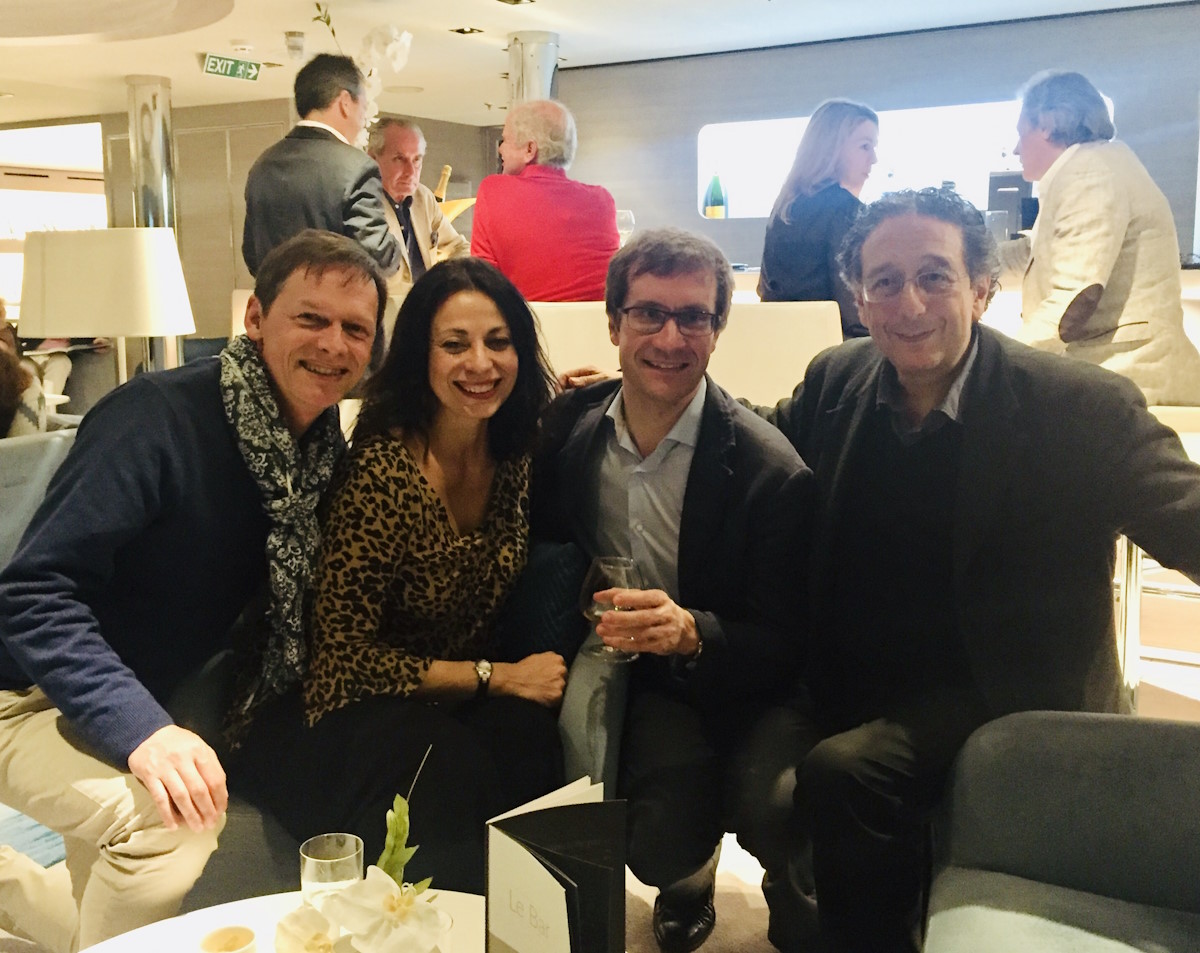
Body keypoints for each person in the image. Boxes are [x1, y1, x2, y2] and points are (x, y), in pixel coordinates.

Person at [754, 187, 1200, 953]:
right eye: (885, 281)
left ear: (983, 289)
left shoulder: (1074, 406)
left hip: (999, 690)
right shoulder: (838, 379)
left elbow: (1185, 513)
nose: (910, 303)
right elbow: (758, 442)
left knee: (845, 772)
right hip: (850, 674)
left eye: (935, 276)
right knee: (764, 781)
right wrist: (642, 397)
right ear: (859, 299)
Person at [0, 230, 383, 953]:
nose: (333, 344)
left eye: (355, 328)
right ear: (255, 318)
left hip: (127, 686)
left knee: (98, 910)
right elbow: (33, 591)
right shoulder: (154, 418)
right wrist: (143, 730)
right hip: (23, 690)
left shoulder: (315, 451)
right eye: (311, 318)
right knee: (168, 826)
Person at [229, 257, 565, 894]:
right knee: (446, 764)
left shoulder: (512, 453)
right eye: (455, 344)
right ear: (420, 356)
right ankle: (419, 929)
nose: (481, 363)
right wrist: (494, 677)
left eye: (499, 342)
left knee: (529, 740)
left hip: (445, 701)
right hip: (341, 707)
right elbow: (343, 660)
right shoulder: (382, 471)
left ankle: (526, 929)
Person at [532, 227, 811, 953]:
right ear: (613, 323)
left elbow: (788, 638)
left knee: (766, 809)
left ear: (717, 330)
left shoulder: (769, 472)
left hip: (727, 668)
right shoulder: (570, 425)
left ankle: (728, 877)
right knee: (649, 832)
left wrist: (692, 631)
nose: (669, 337)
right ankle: (679, 870)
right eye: (649, 313)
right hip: (630, 666)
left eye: (693, 317)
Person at [1003, 69, 1200, 404]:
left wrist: (1000, 367)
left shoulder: (1088, 172)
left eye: (1021, 134)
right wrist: (962, 257)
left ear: (1046, 124)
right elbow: (1033, 252)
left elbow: (1075, 297)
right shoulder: (1096, 165)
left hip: (1132, 382)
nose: (1015, 149)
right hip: (1129, 381)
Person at [242, 53, 401, 280]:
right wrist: (397, 245)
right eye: (363, 108)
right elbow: (378, 255)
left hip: (276, 300)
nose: (363, 120)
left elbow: (252, 255)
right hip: (334, 300)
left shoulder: (263, 165)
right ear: (345, 102)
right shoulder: (356, 168)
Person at [471, 99, 619, 301]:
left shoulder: (493, 190)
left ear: (529, 150)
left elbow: (483, 285)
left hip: (524, 320)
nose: (500, 149)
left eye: (505, 140)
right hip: (596, 322)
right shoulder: (602, 201)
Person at [758, 99, 878, 339]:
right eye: (865, 146)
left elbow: (764, 290)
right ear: (833, 148)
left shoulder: (785, 207)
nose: (874, 158)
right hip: (833, 348)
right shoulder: (845, 209)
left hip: (778, 342)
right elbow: (853, 307)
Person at [366, 117, 470, 350]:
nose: (411, 171)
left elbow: (459, 247)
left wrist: (445, 284)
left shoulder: (423, 198)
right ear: (372, 159)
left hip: (428, 320)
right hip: (383, 326)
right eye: (399, 159)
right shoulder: (362, 205)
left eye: (417, 160)